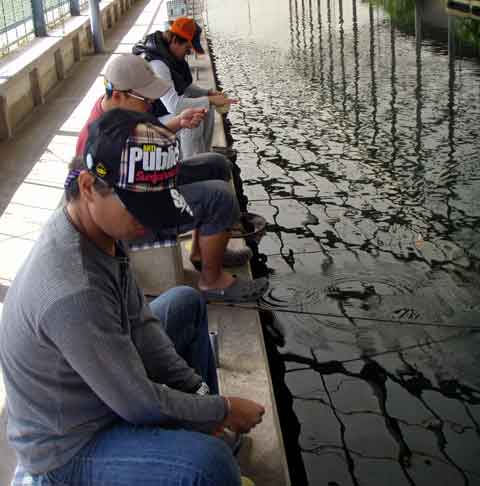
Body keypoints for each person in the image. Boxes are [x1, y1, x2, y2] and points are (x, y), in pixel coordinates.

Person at [1, 110, 266, 486]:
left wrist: (202, 399)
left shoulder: (95, 229)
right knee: (210, 466)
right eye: (139, 208)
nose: (149, 221)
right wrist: (220, 410)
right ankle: (206, 443)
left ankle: (203, 431)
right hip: (70, 445)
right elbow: (137, 402)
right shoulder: (74, 291)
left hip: (103, 388)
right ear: (91, 186)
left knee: (184, 303)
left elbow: (141, 326)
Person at [77, 54, 266, 301]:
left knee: (217, 165)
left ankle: (202, 253)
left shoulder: (120, 113)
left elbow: (138, 146)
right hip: (135, 212)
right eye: (146, 99)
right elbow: (109, 205)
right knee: (219, 197)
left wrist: (177, 123)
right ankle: (212, 281)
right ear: (119, 94)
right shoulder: (92, 138)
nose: (151, 104)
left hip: (147, 183)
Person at [133, 17, 237, 158]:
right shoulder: (158, 64)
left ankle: (203, 156)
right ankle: (192, 164)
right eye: (187, 50)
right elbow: (174, 106)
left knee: (206, 108)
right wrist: (210, 99)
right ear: (175, 40)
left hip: (161, 112)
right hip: (148, 119)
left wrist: (208, 93)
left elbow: (184, 86)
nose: (188, 54)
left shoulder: (170, 55)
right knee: (193, 116)